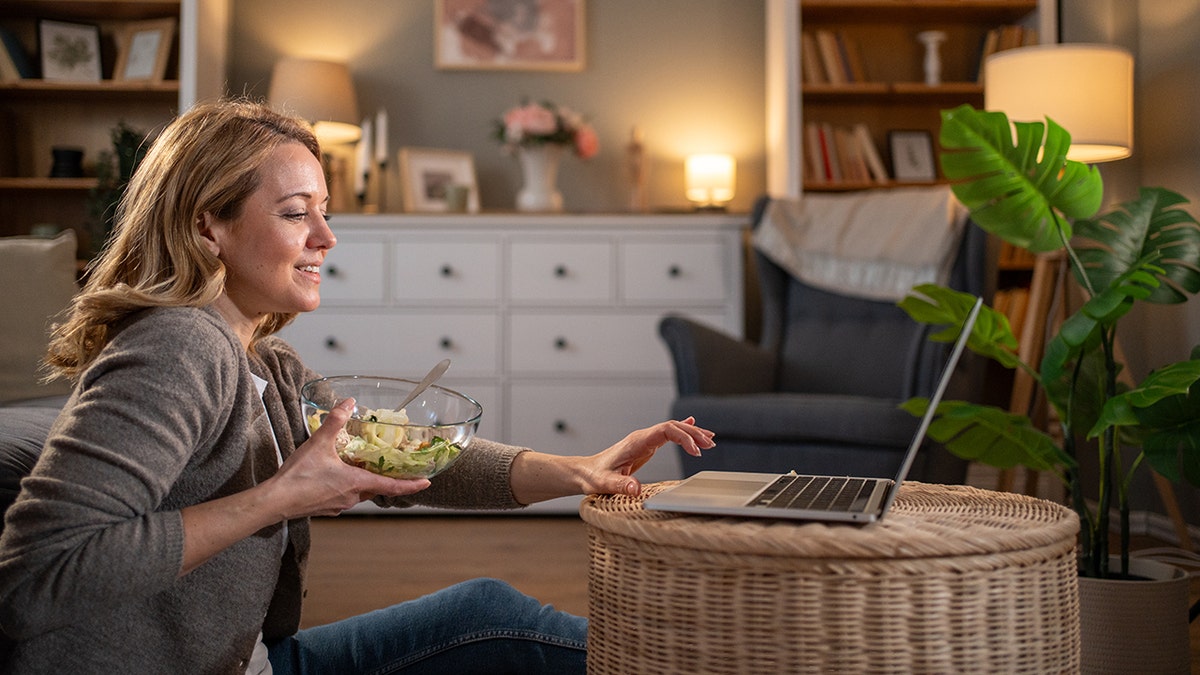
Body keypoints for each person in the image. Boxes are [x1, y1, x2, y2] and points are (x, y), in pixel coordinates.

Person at [0, 99, 715, 674]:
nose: (326, 237)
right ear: (206, 226)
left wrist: (579, 470)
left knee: (488, 611)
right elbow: (36, 572)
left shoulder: (269, 366)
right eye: (294, 213)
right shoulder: (178, 346)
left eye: (325, 211)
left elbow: (409, 454)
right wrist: (278, 497)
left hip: (252, 659)